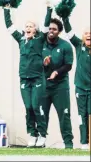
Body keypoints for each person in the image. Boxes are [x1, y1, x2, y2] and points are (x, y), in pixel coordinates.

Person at [3, 3, 52, 147]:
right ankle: (32, 134)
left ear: (35, 29)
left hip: (37, 78)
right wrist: (6, 10)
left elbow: (46, 25)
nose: (28, 28)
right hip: (24, 78)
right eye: (27, 26)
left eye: (31, 26)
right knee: (28, 106)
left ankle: (42, 134)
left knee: (36, 105)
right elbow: (9, 27)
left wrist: (49, 9)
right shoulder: (21, 40)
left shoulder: (39, 39)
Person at [42, 18, 74, 149]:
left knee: (64, 115)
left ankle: (68, 144)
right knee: (42, 116)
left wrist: (56, 72)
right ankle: (40, 142)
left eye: (54, 29)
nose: (51, 31)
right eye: (49, 29)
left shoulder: (65, 45)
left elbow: (68, 65)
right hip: (43, 86)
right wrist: (43, 64)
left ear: (59, 32)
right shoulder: (41, 44)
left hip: (60, 86)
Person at [62, 16, 90, 150]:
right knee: (82, 115)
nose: (89, 35)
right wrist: (64, 17)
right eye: (86, 33)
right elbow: (69, 33)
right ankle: (84, 142)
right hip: (80, 88)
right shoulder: (79, 45)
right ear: (83, 37)